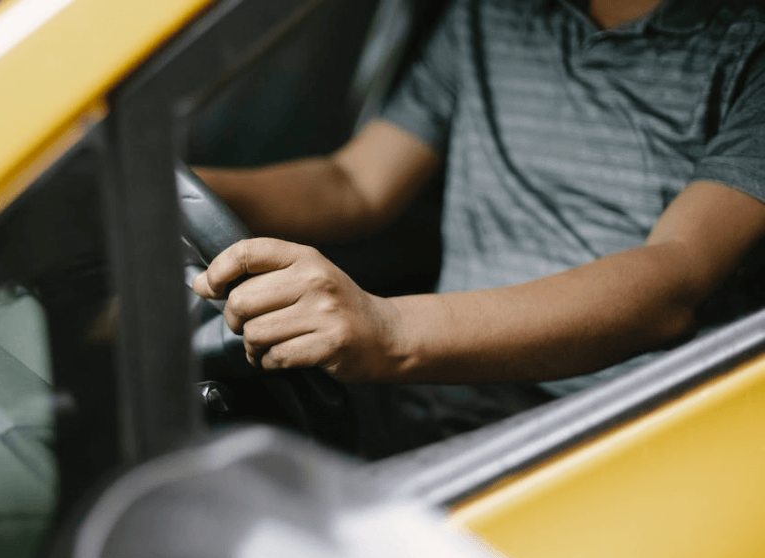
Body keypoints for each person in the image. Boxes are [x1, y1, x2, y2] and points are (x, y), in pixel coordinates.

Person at [192, 0, 765, 454]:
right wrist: (171, 190)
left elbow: (673, 279)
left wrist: (390, 329)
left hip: (615, 431)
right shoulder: (491, 13)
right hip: (443, 385)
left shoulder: (750, 47)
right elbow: (354, 183)